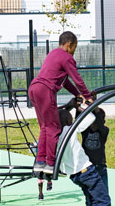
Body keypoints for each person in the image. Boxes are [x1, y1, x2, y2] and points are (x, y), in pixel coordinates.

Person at [29, 31, 93, 175]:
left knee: (45, 127)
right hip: (45, 90)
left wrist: (77, 94)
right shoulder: (66, 57)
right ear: (69, 44)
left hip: (34, 88)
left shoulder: (53, 54)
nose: (74, 52)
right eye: (74, 48)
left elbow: (65, 82)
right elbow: (76, 78)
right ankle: (51, 164)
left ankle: (40, 162)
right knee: (54, 128)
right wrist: (87, 96)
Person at [57, 102, 111, 206]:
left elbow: (58, 115)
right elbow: (90, 117)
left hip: (75, 175)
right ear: (69, 121)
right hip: (86, 171)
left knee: (91, 200)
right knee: (103, 200)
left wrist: (70, 106)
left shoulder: (55, 135)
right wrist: (79, 106)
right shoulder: (71, 130)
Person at [81, 107, 109, 191]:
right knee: (89, 193)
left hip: (100, 166)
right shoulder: (85, 130)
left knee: (103, 192)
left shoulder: (104, 131)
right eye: (91, 122)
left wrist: (95, 105)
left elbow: (99, 122)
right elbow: (79, 119)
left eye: (96, 122)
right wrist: (78, 106)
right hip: (88, 166)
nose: (93, 125)